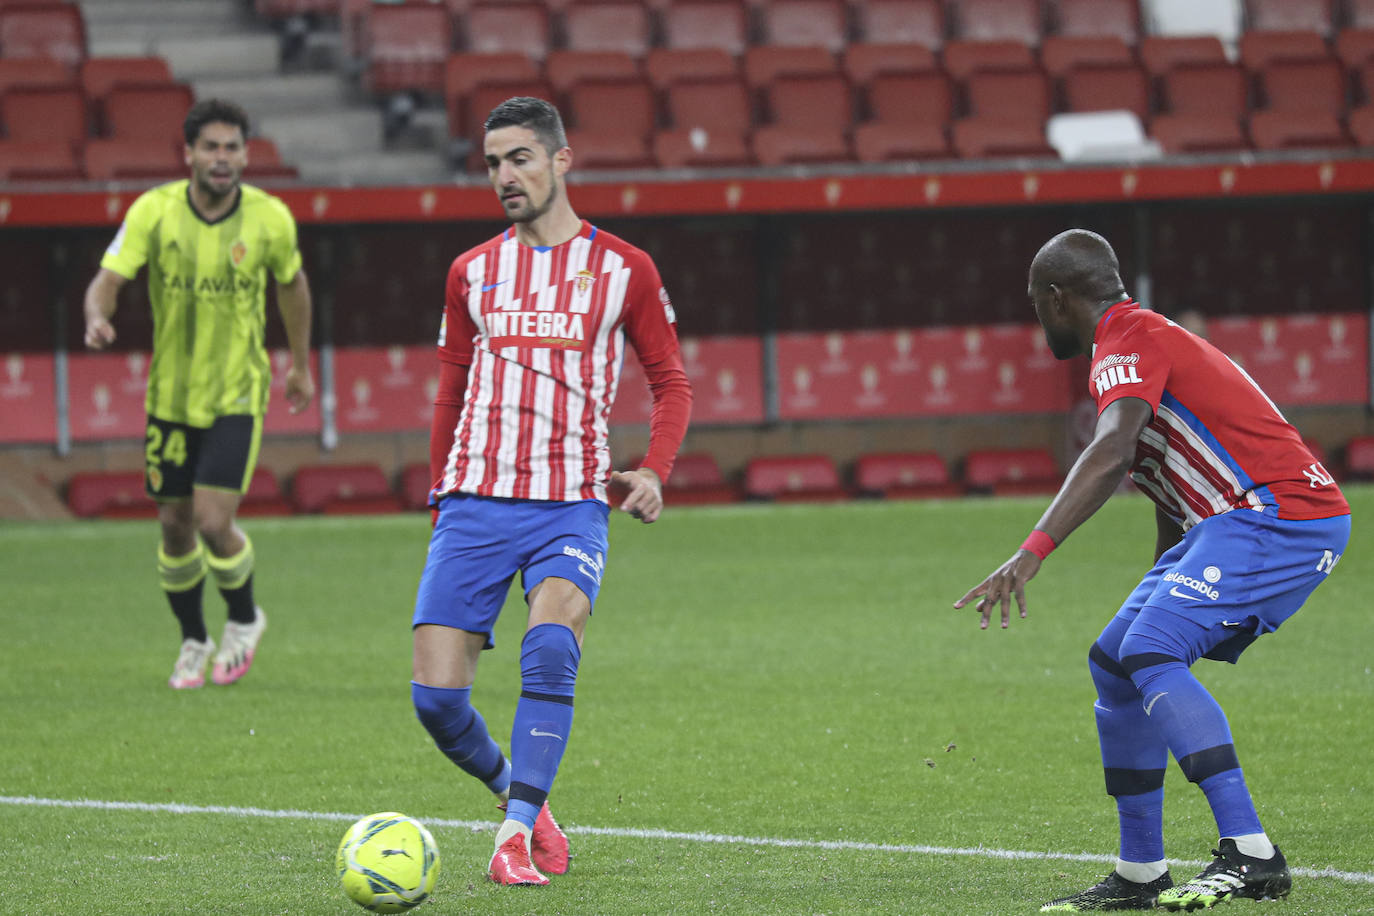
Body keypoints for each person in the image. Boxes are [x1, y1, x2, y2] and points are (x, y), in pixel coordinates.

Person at [954, 229, 1349, 912]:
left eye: (1035, 303)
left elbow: (1112, 451)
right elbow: (1163, 478)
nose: (1037, 318)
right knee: (1116, 660)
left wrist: (1032, 551)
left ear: (1056, 297)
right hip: (1236, 523)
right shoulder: (1138, 340)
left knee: (1151, 648)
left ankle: (1252, 853)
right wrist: (1167, 580)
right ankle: (1140, 872)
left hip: (1279, 514)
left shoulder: (1126, 341)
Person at [410, 97, 693, 887]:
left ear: (562, 160)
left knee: (550, 647)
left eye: (521, 158)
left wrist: (653, 470)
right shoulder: (472, 270)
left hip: (570, 502)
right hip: (473, 499)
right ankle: (516, 787)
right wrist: (440, 503)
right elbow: (450, 390)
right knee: (435, 703)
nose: (505, 175)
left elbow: (670, 382)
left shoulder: (623, 268)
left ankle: (512, 834)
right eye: (494, 162)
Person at [83, 98, 314, 690]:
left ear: (245, 154)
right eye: (210, 147)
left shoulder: (269, 219)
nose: (221, 158)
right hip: (169, 399)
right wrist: (96, 317)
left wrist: (298, 364)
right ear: (188, 154)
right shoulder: (154, 212)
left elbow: (292, 286)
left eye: (232, 147)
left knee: (213, 522)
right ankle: (193, 639)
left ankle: (243, 620)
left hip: (237, 393)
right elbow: (107, 281)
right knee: (174, 527)